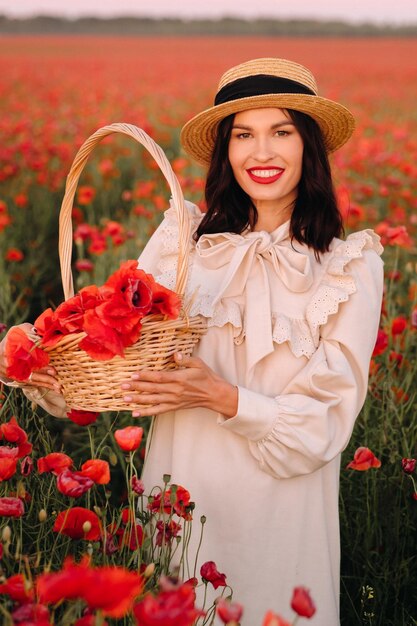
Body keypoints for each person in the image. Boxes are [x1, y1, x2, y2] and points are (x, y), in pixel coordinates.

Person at [0, 58, 384, 624]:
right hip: (180, 505)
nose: (262, 153)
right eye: (244, 135)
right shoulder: (186, 242)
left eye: (282, 132)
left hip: (282, 519)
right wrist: (49, 366)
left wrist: (221, 396)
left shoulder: (348, 268)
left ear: (310, 146)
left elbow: (325, 423)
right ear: (225, 150)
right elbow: (124, 364)